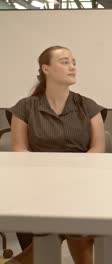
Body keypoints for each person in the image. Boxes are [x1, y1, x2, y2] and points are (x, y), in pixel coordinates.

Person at [5, 45, 106, 264]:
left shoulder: (88, 107)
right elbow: (20, 152)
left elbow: (97, 150)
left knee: (70, 221)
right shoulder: (25, 108)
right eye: (64, 61)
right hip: (37, 188)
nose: (73, 67)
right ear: (46, 69)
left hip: (81, 186)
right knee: (65, 226)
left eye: (74, 62)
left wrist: (73, 180)